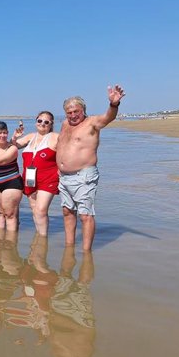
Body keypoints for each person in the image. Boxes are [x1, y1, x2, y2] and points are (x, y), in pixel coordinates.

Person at [56, 85, 126, 251]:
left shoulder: (92, 123)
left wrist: (113, 104)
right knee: (67, 212)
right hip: (64, 177)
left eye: (76, 111)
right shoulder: (65, 124)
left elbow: (108, 117)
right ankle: (69, 247)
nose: (73, 115)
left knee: (85, 215)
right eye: (69, 112)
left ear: (83, 110)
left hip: (84, 176)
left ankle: (86, 254)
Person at [11, 111, 60, 236]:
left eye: (46, 122)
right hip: (29, 179)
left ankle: (43, 239)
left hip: (49, 178)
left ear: (51, 124)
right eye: (40, 121)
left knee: (41, 210)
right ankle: (38, 238)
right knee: (34, 210)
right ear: (36, 121)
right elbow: (13, 146)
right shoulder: (30, 136)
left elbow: (68, 151)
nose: (42, 124)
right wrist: (15, 137)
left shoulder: (55, 137)